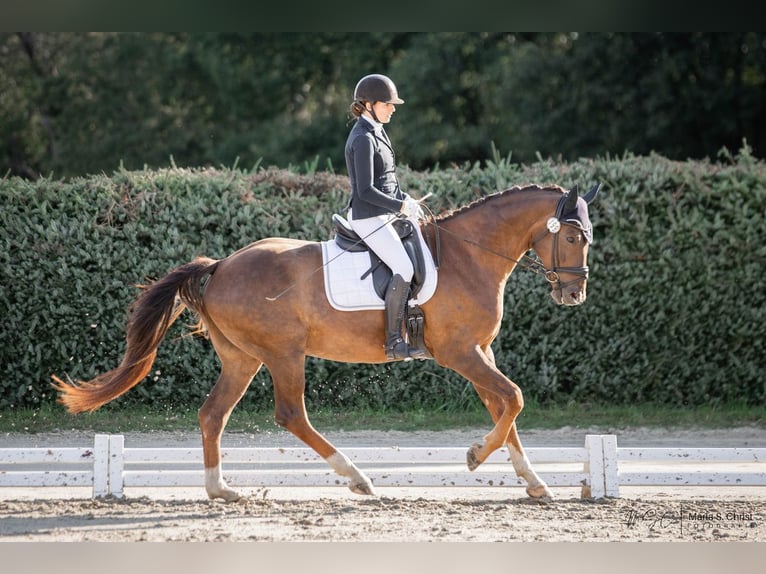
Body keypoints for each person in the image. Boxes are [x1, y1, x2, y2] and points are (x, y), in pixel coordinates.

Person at [344, 73, 424, 360]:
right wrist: (398, 207)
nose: (393, 108)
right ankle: (392, 342)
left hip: (385, 213)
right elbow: (365, 191)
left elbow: (388, 180)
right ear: (368, 104)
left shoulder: (377, 129)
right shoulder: (363, 138)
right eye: (387, 103)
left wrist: (405, 200)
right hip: (368, 217)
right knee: (404, 265)